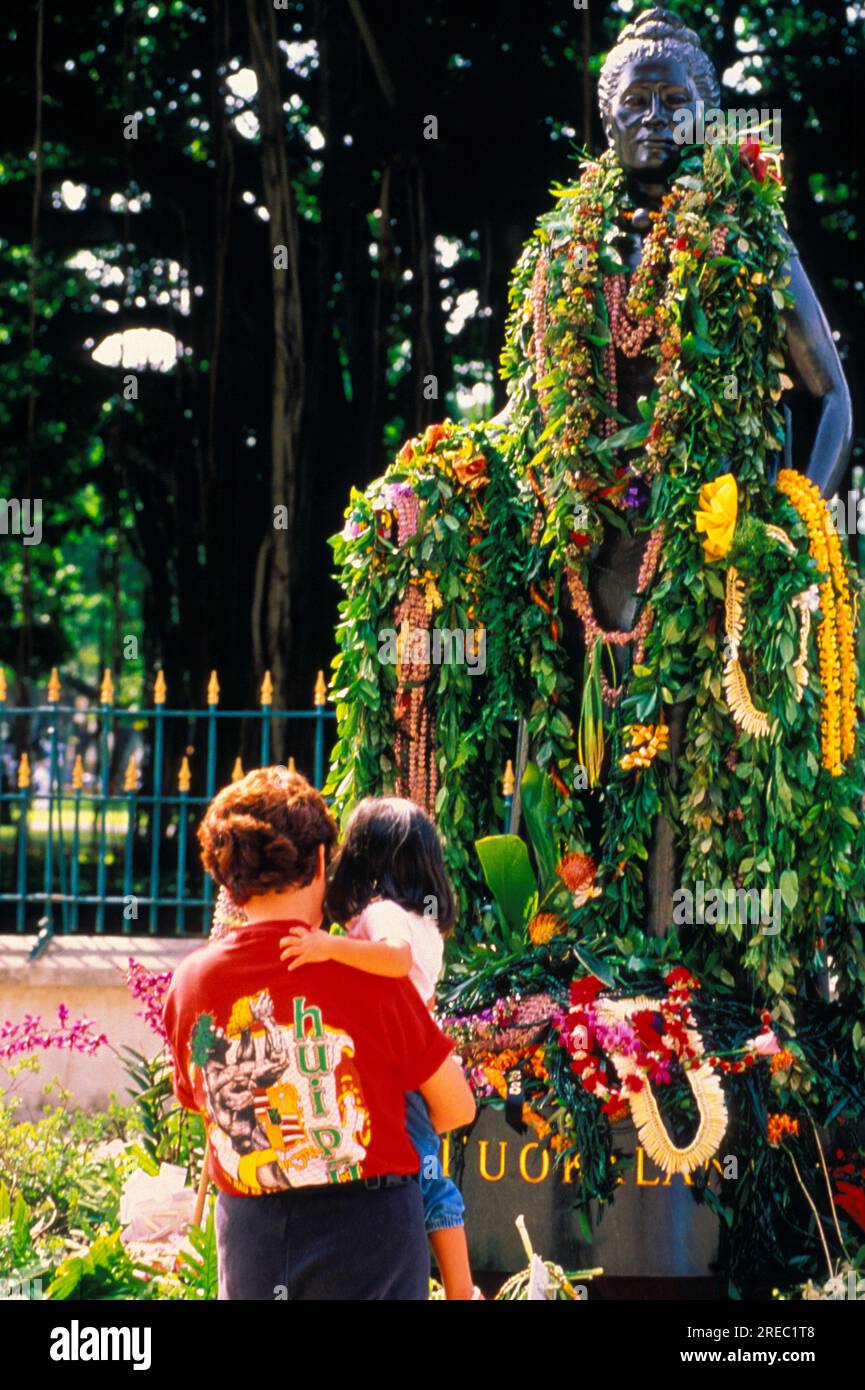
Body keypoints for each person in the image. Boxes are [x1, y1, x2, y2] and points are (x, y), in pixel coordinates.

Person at [163, 766, 475, 1300]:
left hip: (253, 1241)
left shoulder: (192, 983)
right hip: (370, 1241)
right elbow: (457, 1108)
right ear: (321, 863)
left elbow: (199, 1100)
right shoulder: (368, 977)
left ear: (230, 877)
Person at [279, 796, 480, 1301]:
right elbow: (422, 993)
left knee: (427, 1181)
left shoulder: (387, 915)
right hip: (414, 1068)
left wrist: (328, 947)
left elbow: (395, 960)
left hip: (398, 1072)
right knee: (423, 1174)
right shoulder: (426, 921)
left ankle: (461, 1291)